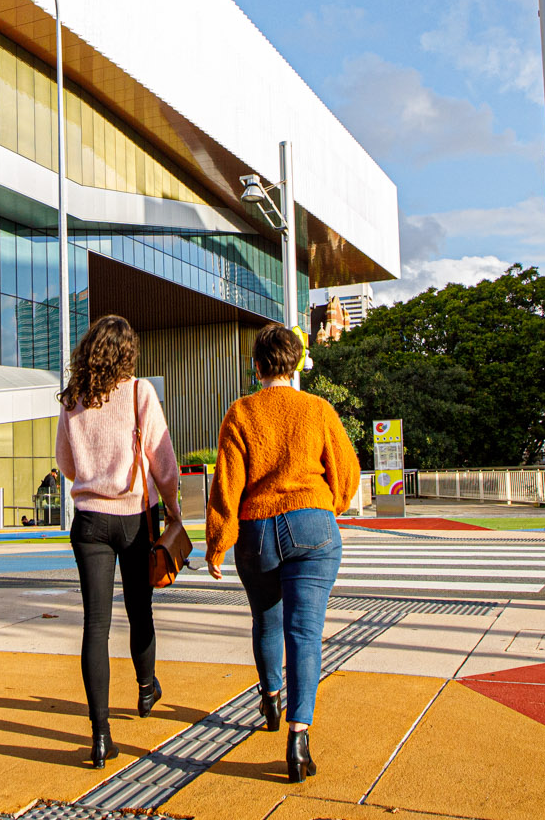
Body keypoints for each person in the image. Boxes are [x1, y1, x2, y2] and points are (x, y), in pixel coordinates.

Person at [204, 323, 360, 784]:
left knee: (266, 621)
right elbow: (346, 472)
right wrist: (329, 505)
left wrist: (218, 542)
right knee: (305, 631)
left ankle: (271, 699)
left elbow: (226, 485)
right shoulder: (317, 409)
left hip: (256, 532)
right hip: (312, 523)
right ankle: (298, 736)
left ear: (256, 367)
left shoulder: (240, 412)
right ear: (293, 365)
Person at [55, 314, 180, 768]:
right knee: (139, 608)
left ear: (89, 348)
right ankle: (146, 690)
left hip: (89, 520)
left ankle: (101, 734)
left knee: (96, 624)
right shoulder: (139, 392)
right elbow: (162, 462)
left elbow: (65, 463)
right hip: (134, 517)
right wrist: (175, 510)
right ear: (128, 352)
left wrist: (93, 472)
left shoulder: (72, 399)